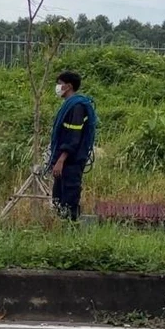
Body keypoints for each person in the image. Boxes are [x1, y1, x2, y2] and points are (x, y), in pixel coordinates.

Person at [46, 71, 97, 221]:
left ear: (68, 86)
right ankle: (61, 230)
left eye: (60, 84)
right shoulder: (69, 106)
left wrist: (61, 160)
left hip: (71, 162)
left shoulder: (77, 107)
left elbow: (73, 138)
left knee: (69, 198)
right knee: (58, 198)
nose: (58, 87)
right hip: (63, 162)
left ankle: (70, 230)